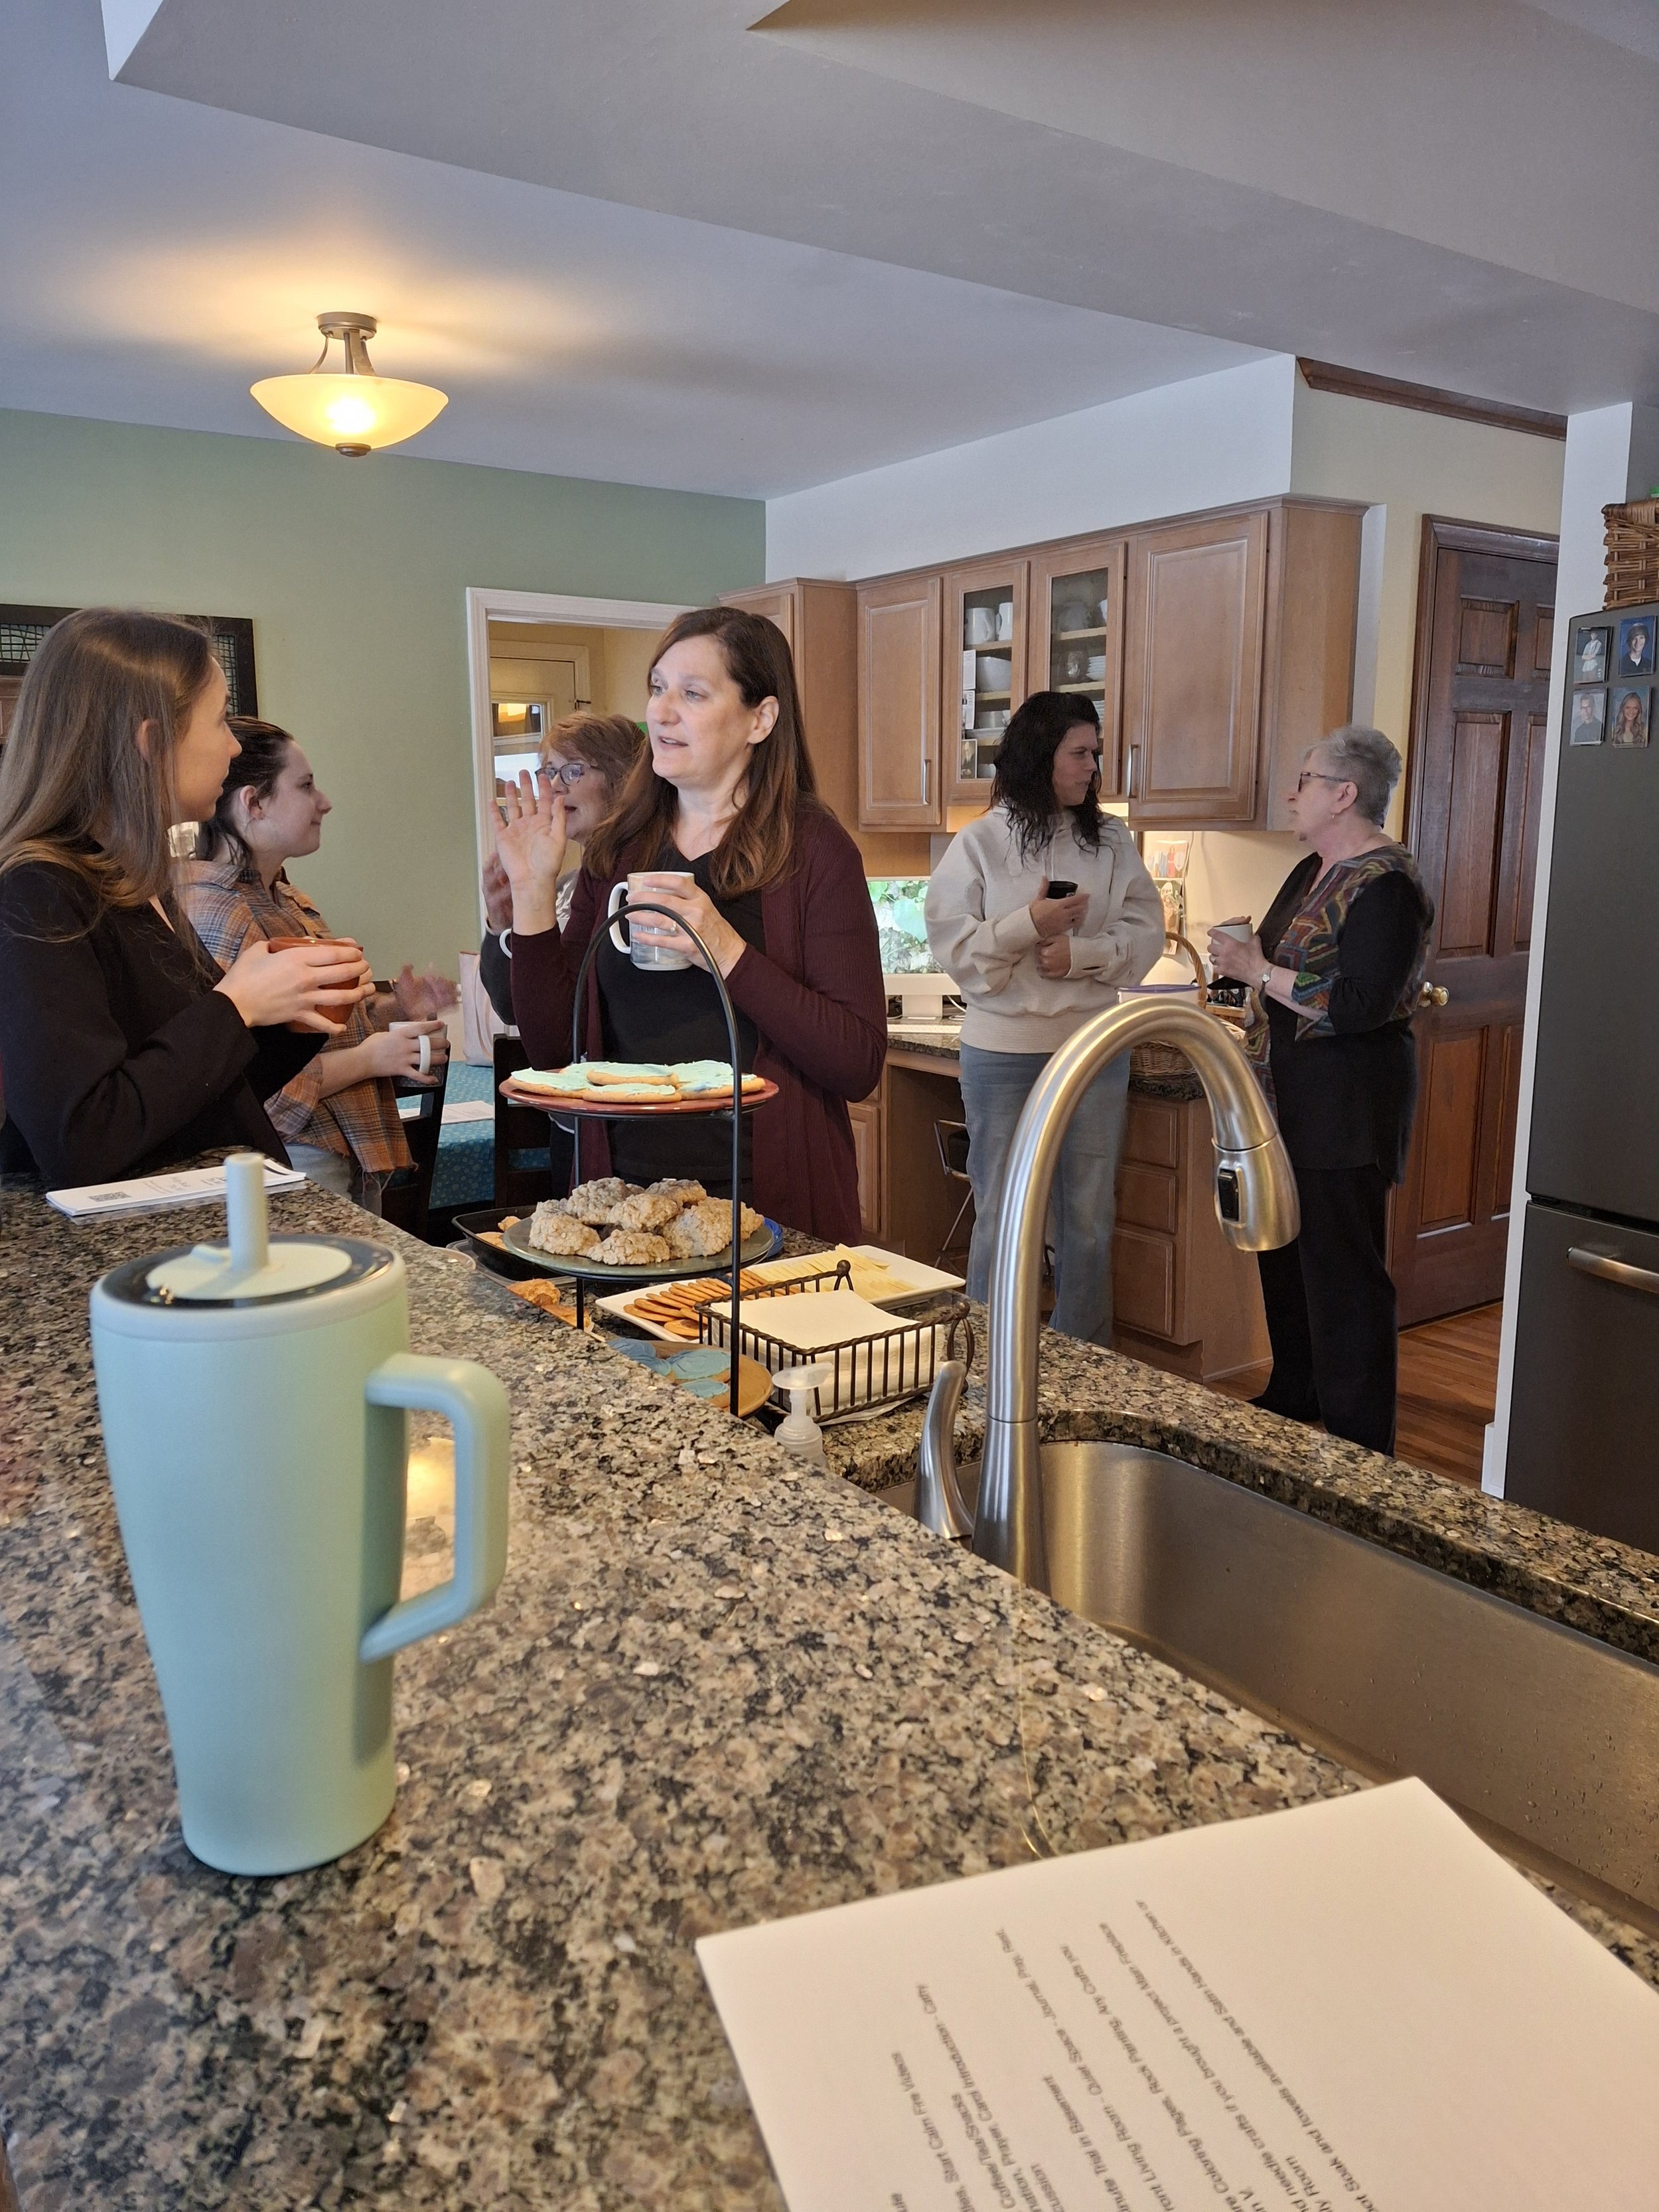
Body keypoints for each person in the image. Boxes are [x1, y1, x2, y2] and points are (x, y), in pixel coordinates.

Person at [495, 606, 885, 1239]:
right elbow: (554, 1053)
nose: (661, 711)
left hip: (766, 1212)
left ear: (761, 718)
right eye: (657, 687)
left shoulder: (817, 850)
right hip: (626, 1213)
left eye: (693, 693)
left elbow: (857, 1061)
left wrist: (726, 951)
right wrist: (533, 892)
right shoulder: (619, 847)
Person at [0, 609, 372, 1188]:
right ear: (152, 743)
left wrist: (293, 1016)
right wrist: (237, 1003)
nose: (231, 746)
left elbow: (197, 1095)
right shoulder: (36, 891)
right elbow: (82, 1137)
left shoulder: (132, 879)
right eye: (220, 721)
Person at [1207, 724, 1433, 1455]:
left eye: (1304, 780)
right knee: (1282, 1249)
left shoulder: (1388, 886)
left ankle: (1361, 1443)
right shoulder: (1310, 870)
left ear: (1344, 794)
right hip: (1285, 1101)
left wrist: (1256, 970)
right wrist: (1237, 974)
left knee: (1344, 1273)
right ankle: (1295, 1390)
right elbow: (1278, 966)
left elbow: (1361, 1003)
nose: (1290, 794)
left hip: (1346, 1106)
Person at [926, 692, 1165, 1343]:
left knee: (1087, 1216)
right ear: (1040, 757)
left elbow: (1148, 934)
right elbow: (951, 944)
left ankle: (1084, 1359)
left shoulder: (1111, 840)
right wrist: (1024, 925)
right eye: (1079, 753)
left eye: (1097, 752)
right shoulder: (979, 842)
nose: (1093, 766)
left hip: (1091, 1047)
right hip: (1001, 1050)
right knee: (1003, 1212)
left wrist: (1083, 954)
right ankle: (988, 1356)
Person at [180, 718, 453, 1211]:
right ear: (253, 803)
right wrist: (372, 1057)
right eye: (305, 786)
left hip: (332, 1154)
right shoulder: (218, 910)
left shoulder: (283, 898)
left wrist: (394, 1011)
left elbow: (316, 1030)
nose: (323, 801)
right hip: (292, 1163)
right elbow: (248, 1083)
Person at [476, 711, 645, 1025]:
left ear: (624, 779)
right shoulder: (563, 885)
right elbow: (512, 1008)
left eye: (572, 770)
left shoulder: (642, 885)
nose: (554, 786)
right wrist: (502, 920)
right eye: (551, 772)